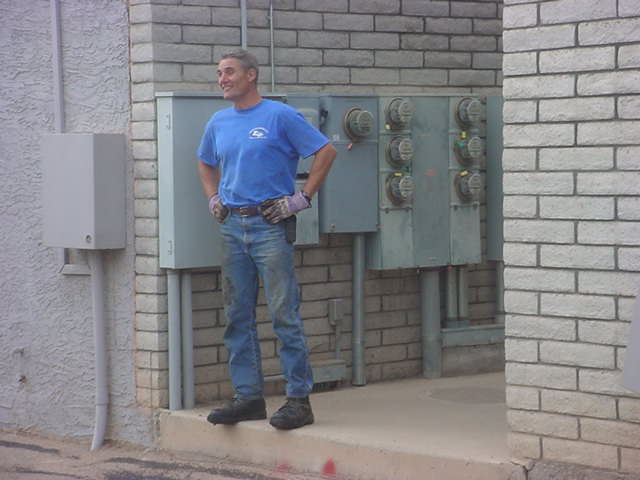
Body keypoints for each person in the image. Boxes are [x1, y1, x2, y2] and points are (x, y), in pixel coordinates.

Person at [196, 49, 337, 430]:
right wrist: (213, 197)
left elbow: (326, 150)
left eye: (228, 72)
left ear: (251, 76)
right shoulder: (219, 121)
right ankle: (248, 398)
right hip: (232, 226)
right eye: (219, 73)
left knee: (283, 314)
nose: (222, 79)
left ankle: (298, 401)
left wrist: (300, 199)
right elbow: (205, 160)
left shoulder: (279, 115)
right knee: (237, 315)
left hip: (269, 225)